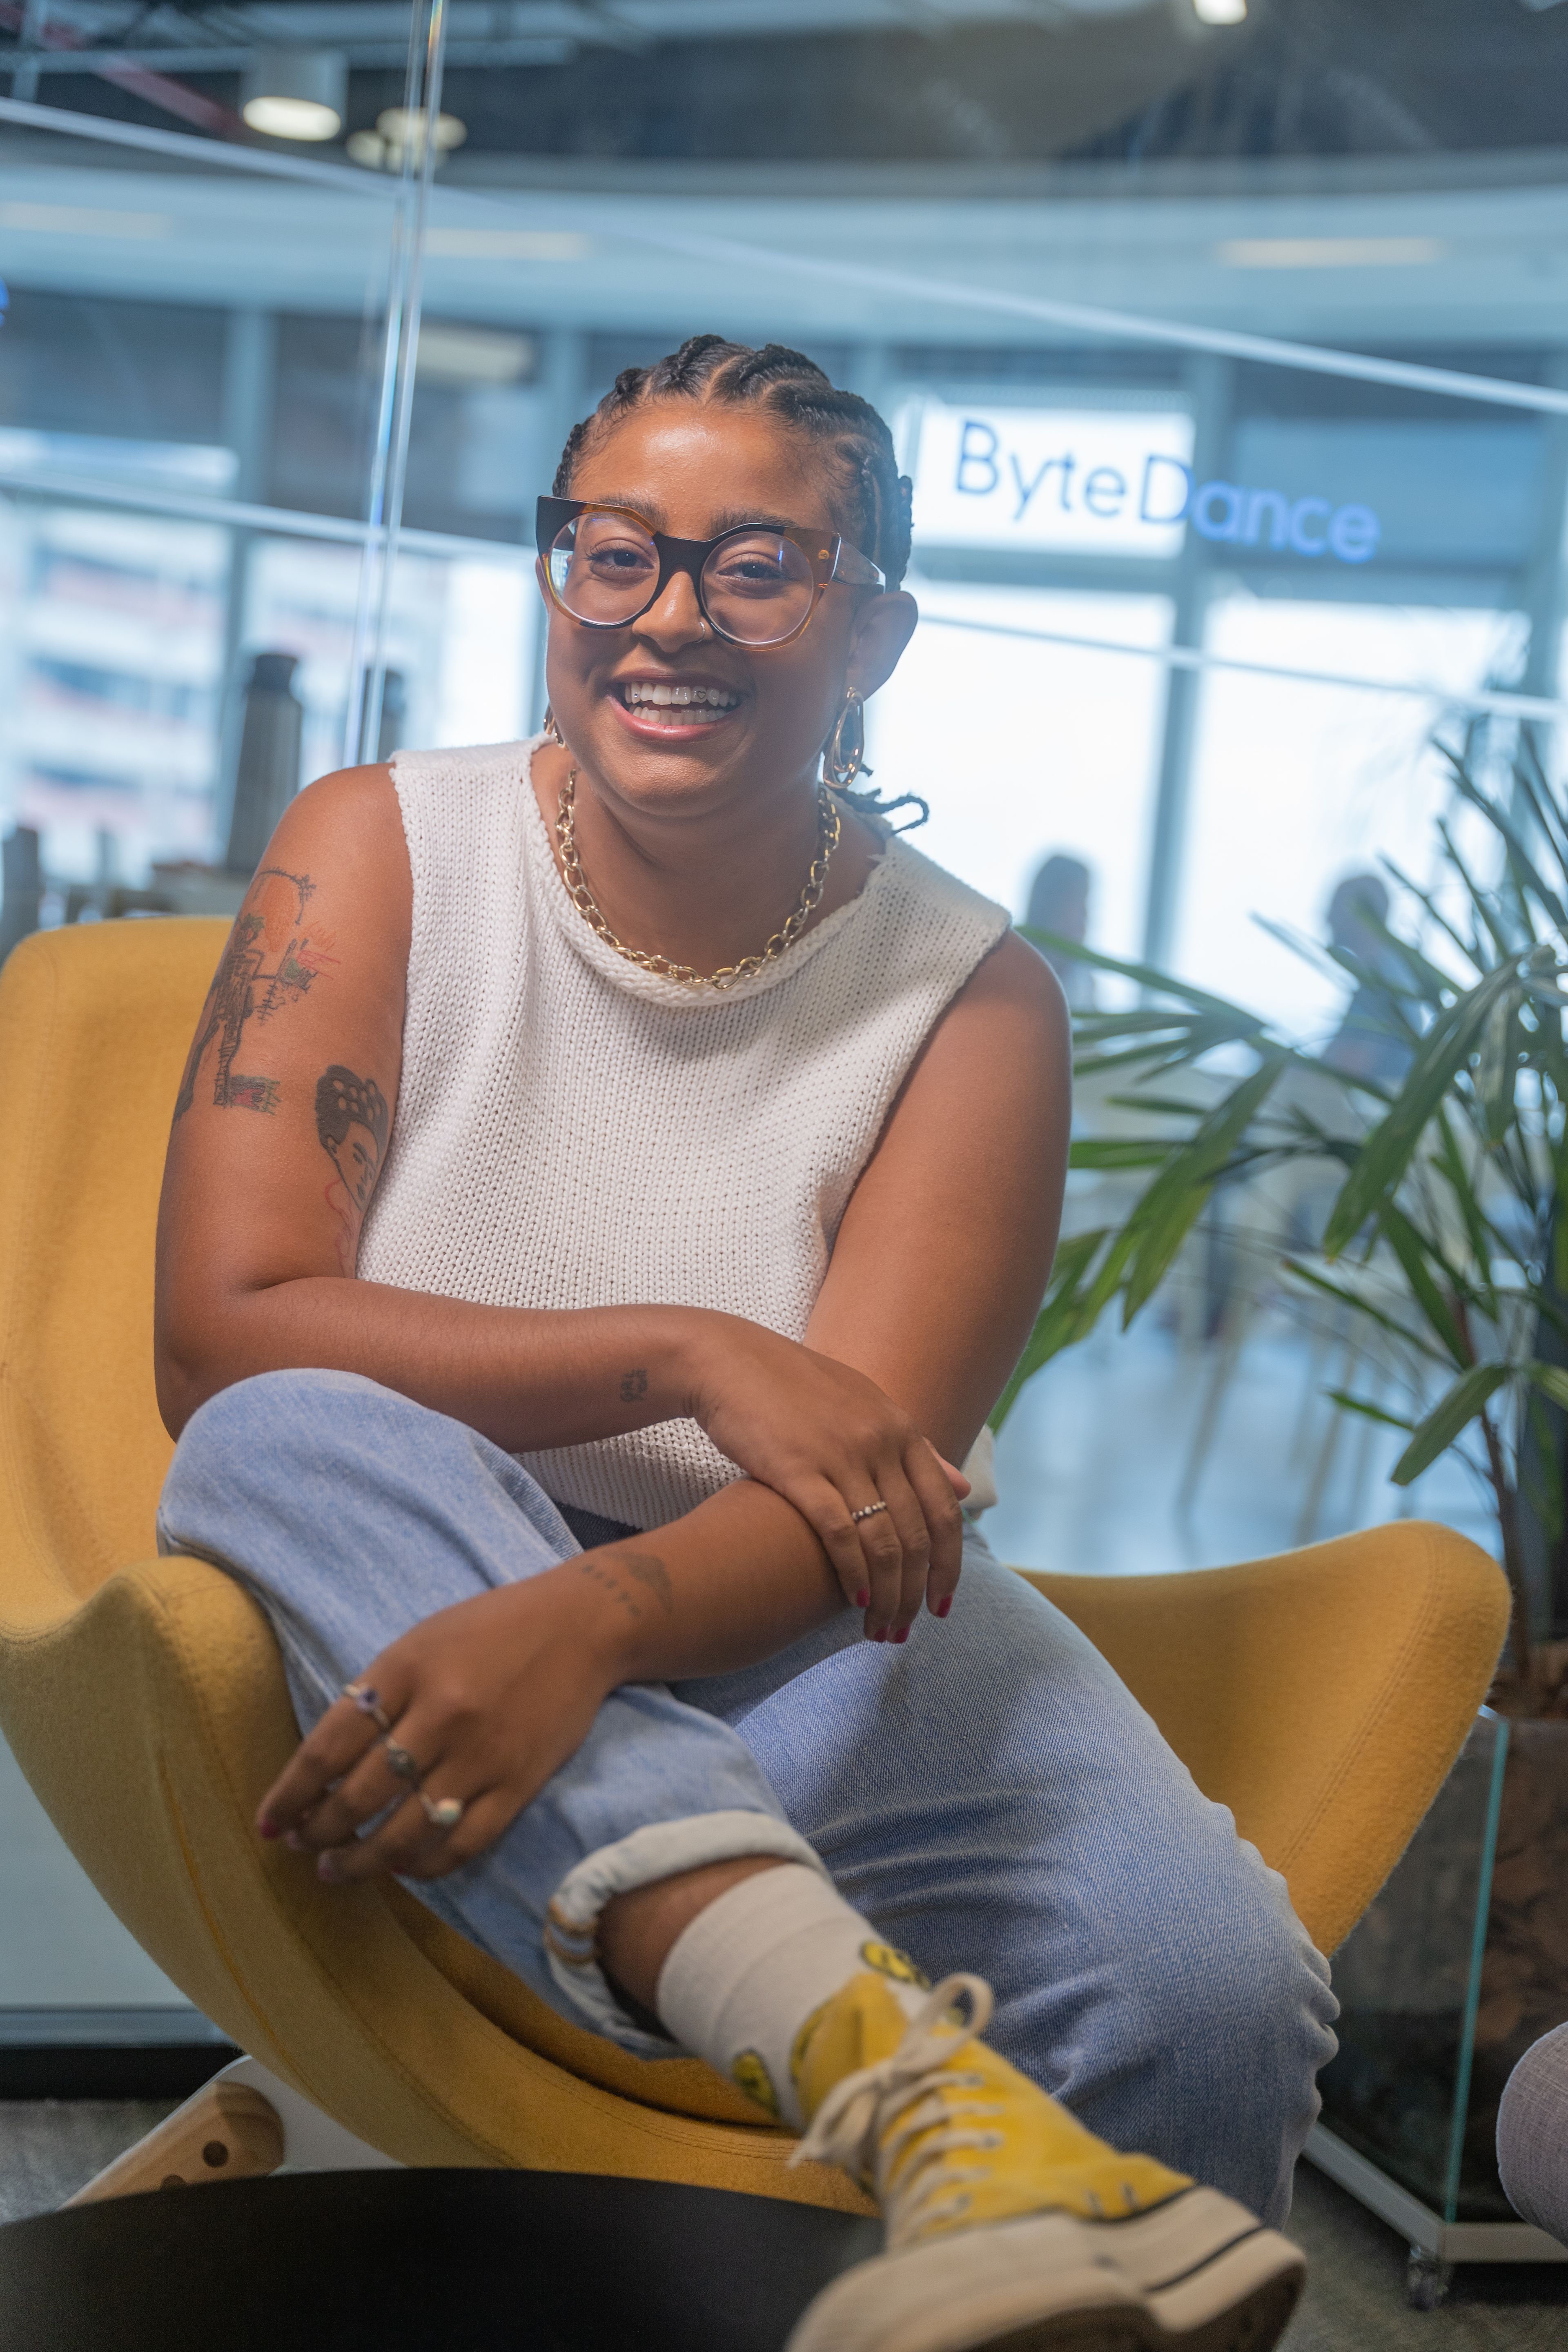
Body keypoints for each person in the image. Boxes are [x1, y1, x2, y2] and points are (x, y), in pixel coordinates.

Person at [154, 336, 1335, 2352]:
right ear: (555, 577)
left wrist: (595, 1623)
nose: (668, 619)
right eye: (612, 556)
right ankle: (907, 2082)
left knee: (1203, 1982)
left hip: (779, 1606)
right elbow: (227, 1332)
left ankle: (1049, 2261)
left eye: (756, 568)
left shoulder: (968, 999)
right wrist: (685, 1354)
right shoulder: (377, 842)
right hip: (389, 1566)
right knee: (282, 1444)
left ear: (873, 630)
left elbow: (864, 1501)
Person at [1321, 872, 1416, 1089]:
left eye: (1335, 909)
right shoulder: (1388, 970)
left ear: (1357, 913)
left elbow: (1351, 1065)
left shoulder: (1383, 981)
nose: (1327, 918)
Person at [1024, 851, 1096, 1012]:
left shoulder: (1084, 980)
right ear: (1052, 902)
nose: (1085, 913)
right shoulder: (1018, 966)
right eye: (1079, 900)